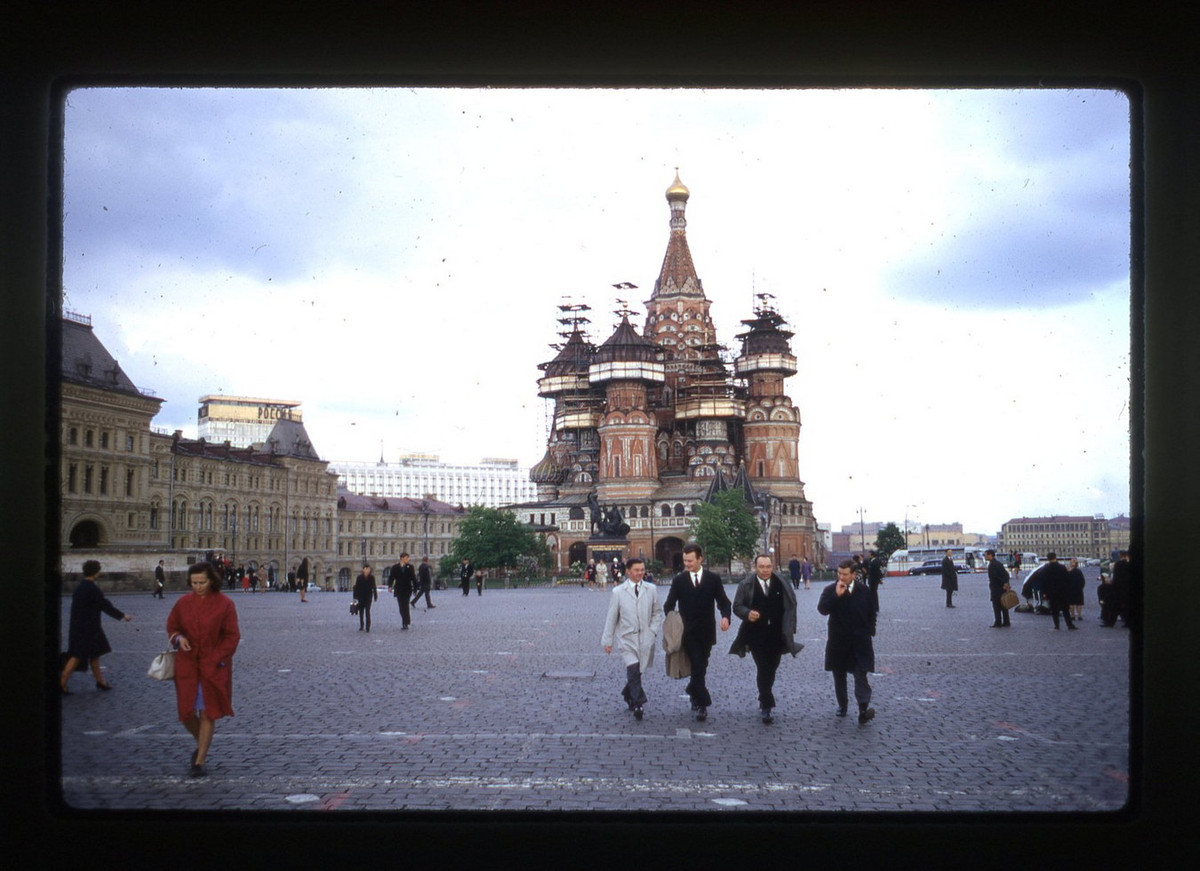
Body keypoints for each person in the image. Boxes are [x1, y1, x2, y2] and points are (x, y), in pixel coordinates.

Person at [167, 561, 241, 777]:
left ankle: (199, 761)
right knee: (187, 712)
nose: (197, 586)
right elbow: (173, 626)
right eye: (194, 583)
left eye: (202, 582)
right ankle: (201, 742)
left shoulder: (225, 604)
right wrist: (178, 638)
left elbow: (232, 636)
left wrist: (217, 657)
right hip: (188, 665)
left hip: (213, 665)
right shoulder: (182, 603)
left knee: (208, 712)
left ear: (211, 581)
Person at [728, 554, 804, 724]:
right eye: (761, 567)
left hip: (777, 634)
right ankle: (766, 704)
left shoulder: (782, 583)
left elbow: (792, 604)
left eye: (768, 566)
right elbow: (737, 606)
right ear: (755, 567)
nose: (765, 570)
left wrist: (791, 627)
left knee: (772, 667)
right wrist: (747, 613)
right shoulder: (746, 584)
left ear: (772, 566)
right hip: (755, 634)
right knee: (763, 666)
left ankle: (765, 695)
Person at [663, 543, 731, 722]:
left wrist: (725, 617)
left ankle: (692, 690)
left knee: (701, 667)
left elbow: (724, 602)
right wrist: (673, 622)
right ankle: (702, 704)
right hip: (687, 633)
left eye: (690, 561)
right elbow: (669, 605)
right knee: (698, 665)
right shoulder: (679, 580)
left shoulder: (713, 579)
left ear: (700, 559)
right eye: (685, 561)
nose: (687, 564)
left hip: (707, 631)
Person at [601, 557, 664, 721]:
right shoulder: (618, 592)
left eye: (642, 570)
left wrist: (653, 630)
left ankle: (627, 694)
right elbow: (612, 617)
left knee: (639, 670)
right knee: (633, 668)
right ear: (628, 571)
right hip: (627, 638)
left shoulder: (651, 589)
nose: (640, 573)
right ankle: (638, 703)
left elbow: (657, 612)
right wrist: (607, 641)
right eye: (636, 570)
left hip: (645, 638)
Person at [817, 559, 877, 724]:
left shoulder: (864, 591)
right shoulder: (830, 590)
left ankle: (863, 708)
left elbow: (872, 612)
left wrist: (870, 630)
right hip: (839, 640)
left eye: (845, 574)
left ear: (853, 575)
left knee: (860, 675)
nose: (841, 577)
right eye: (839, 574)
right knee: (839, 674)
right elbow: (822, 609)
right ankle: (842, 705)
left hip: (860, 641)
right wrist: (837, 596)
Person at [60, 560, 132, 693]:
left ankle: (100, 682)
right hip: (88, 629)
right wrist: (122, 615)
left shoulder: (80, 587)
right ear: (96, 572)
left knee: (95, 654)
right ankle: (62, 682)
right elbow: (104, 605)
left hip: (81, 626)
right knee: (77, 655)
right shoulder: (92, 589)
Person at [1039, 552, 1077, 630]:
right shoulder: (1062, 567)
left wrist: (1044, 593)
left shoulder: (1046, 569)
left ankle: (1057, 625)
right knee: (1065, 609)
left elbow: (1043, 581)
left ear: (1048, 559)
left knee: (1054, 610)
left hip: (1051, 592)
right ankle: (1069, 625)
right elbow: (1067, 579)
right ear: (1055, 557)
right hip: (1062, 591)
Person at [985, 548, 1012, 628]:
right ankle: (1006, 621)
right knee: (1004, 604)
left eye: (986, 555)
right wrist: (1006, 583)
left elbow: (995, 577)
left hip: (996, 587)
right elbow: (1006, 574)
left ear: (990, 555)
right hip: (1002, 587)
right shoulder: (998, 563)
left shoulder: (992, 565)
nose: (985, 556)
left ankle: (998, 622)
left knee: (996, 605)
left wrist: (1003, 584)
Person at [1105, 550, 1131, 627]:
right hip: (1127, 588)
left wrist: (1112, 584)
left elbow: (1116, 577)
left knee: (1115, 607)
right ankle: (1127, 622)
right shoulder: (1129, 564)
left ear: (1120, 555)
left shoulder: (1118, 564)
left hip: (1118, 588)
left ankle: (1110, 622)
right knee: (1126, 607)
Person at [389, 553, 416, 629]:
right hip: (399, 589)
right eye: (407, 558)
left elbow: (413, 578)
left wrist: (415, 588)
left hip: (407, 589)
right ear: (402, 558)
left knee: (406, 605)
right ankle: (405, 620)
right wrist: (390, 586)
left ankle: (405, 623)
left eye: (408, 558)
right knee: (401, 606)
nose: (408, 559)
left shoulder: (410, 567)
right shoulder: (395, 567)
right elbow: (391, 577)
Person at [353, 563, 378, 631]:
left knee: (367, 611)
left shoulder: (371, 577)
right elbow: (356, 587)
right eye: (366, 569)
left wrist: (375, 595)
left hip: (368, 596)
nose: (367, 570)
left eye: (368, 569)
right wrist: (355, 597)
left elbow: (374, 587)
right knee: (361, 612)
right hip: (360, 597)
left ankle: (368, 626)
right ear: (363, 569)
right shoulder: (359, 577)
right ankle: (361, 625)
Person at [1067, 558, 1087, 623]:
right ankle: (1079, 615)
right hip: (1078, 589)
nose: (1071, 563)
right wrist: (1081, 587)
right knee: (1078, 603)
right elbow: (1082, 580)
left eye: (1072, 562)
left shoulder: (1067, 571)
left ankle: (1072, 615)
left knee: (1071, 603)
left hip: (1070, 589)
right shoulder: (1078, 571)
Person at [866, 549, 884, 613]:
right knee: (873, 593)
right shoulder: (873, 561)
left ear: (872, 554)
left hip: (874, 579)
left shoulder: (875, 561)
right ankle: (875, 607)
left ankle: (875, 607)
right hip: (873, 579)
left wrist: (879, 579)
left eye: (868, 554)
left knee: (873, 593)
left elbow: (877, 571)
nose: (867, 555)